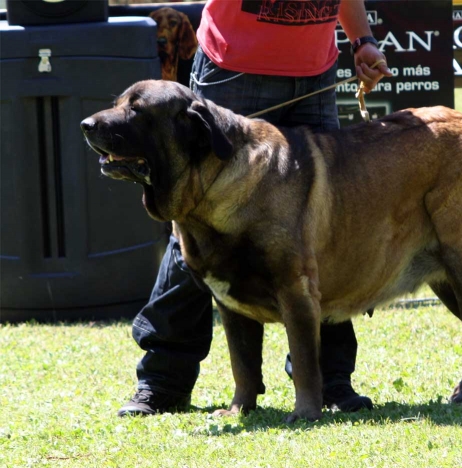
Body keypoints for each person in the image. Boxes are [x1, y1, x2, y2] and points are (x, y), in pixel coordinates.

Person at [118, 0, 392, 417]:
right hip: (235, 73)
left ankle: (329, 380)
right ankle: (163, 380)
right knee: (199, 224)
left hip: (313, 72)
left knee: (329, 227)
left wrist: (363, 40)